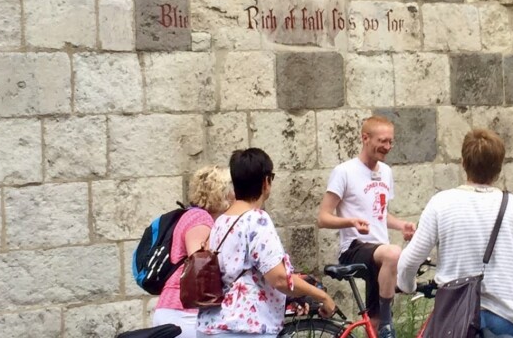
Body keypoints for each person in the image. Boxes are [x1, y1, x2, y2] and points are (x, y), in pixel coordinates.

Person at [397, 130, 513, 338]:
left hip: (456, 320)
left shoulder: (441, 204)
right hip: (510, 319)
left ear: (463, 163)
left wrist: (407, 285)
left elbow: (409, 262)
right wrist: (510, 273)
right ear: (499, 167)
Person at [198, 148, 335, 336]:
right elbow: (279, 278)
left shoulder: (221, 221)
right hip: (244, 327)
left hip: (211, 325)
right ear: (266, 182)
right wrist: (322, 296)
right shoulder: (257, 220)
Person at [317, 115, 416, 338]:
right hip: (354, 248)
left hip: (379, 254)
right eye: (382, 141)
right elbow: (323, 218)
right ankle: (388, 324)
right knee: (393, 253)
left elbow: (380, 215)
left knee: (374, 321)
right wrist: (349, 221)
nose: (387, 147)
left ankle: (382, 323)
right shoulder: (344, 172)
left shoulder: (386, 172)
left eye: (391, 141)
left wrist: (403, 225)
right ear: (365, 138)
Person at [152, 166, 234, 338]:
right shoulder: (200, 218)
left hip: (173, 309)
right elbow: (201, 266)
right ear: (220, 192)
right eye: (231, 187)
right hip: (183, 313)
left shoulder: (191, 215)